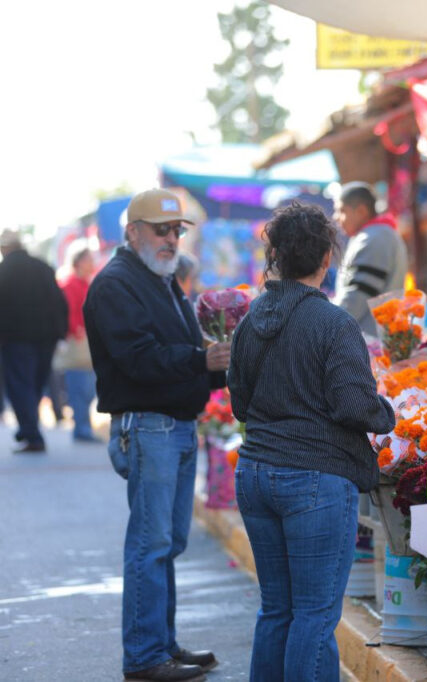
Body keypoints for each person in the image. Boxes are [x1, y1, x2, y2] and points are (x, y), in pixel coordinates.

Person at [229, 203, 395, 682]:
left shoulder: (247, 321)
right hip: (315, 481)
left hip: (256, 472)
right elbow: (353, 407)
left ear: (275, 255)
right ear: (327, 258)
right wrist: (387, 412)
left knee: (277, 610)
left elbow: (239, 404)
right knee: (315, 616)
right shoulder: (334, 323)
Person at [83, 188, 228, 682]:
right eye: (161, 229)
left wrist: (216, 364)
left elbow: (181, 351)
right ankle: (145, 656)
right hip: (149, 426)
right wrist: (201, 360)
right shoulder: (116, 284)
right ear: (132, 231)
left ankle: (160, 645)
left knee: (166, 544)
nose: (171, 239)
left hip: (172, 425)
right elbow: (139, 360)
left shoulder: (159, 278)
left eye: (177, 230)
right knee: (151, 545)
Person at [0, 228, 68, 453]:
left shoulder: (5, 270)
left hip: (17, 341)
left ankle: (31, 432)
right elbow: (59, 301)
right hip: (45, 338)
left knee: (22, 386)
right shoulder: (42, 267)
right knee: (35, 384)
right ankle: (28, 429)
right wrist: (59, 332)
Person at [332, 182, 409, 336]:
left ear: (361, 211)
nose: (336, 217)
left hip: (369, 341)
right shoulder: (379, 234)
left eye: (341, 210)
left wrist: (327, 325)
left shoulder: (374, 238)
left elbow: (355, 299)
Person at [58, 242, 99, 442]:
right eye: (90, 259)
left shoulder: (87, 282)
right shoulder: (70, 283)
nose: (93, 263)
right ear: (79, 261)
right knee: (79, 388)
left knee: (88, 389)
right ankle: (81, 428)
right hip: (78, 343)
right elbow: (68, 311)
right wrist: (76, 330)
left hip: (88, 344)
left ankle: (83, 427)